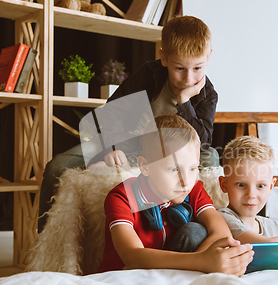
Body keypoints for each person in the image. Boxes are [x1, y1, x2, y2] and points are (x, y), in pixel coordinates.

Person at [38, 16, 219, 231]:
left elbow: (204, 141)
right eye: (180, 69)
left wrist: (184, 101)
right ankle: (45, 237)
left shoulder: (208, 94)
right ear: (164, 58)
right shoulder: (148, 74)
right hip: (131, 141)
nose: (189, 79)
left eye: (197, 68)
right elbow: (112, 112)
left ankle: (193, 224)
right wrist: (112, 147)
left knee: (212, 158)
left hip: (172, 154)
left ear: (208, 57)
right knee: (57, 165)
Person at [97, 115, 253, 276]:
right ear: (145, 166)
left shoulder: (194, 190)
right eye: (174, 169)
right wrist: (201, 261)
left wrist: (204, 261)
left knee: (195, 231)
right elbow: (132, 256)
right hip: (124, 280)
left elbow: (222, 233)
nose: (186, 181)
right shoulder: (122, 196)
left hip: (171, 278)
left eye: (193, 169)